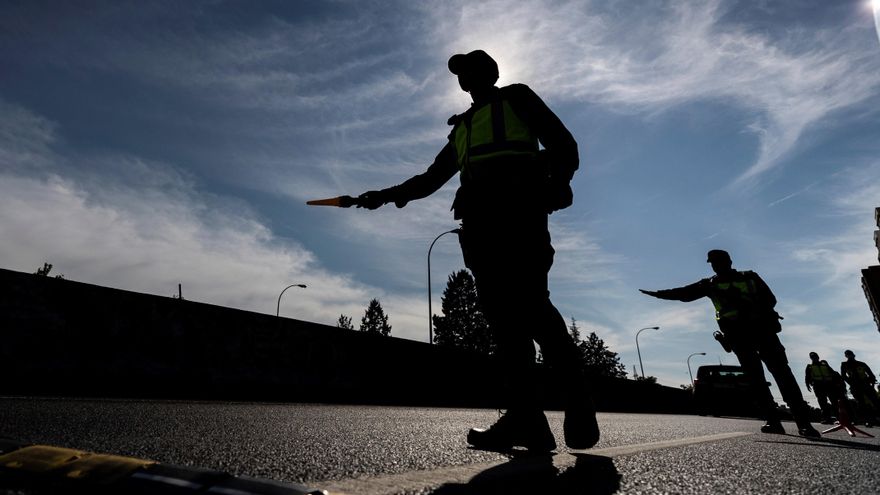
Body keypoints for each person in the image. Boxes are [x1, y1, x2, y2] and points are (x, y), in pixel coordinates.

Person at [352, 50, 598, 451]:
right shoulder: (462, 127)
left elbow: (562, 143)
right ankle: (528, 421)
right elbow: (433, 177)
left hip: (519, 218)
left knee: (533, 309)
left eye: (470, 70)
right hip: (479, 230)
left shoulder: (517, 97)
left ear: (489, 73)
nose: (464, 78)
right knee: (505, 325)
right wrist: (384, 195)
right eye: (461, 74)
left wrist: (558, 182)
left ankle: (579, 403)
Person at [640, 249, 820, 438]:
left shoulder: (745, 278)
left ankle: (801, 423)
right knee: (763, 378)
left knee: (778, 375)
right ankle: (778, 422)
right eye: (714, 262)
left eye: (719, 261)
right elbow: (684, 294)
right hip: (744, 336)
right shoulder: (713, 283)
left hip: (758, 332)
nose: (717, 265)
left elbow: (770, 300)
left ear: (729, 261)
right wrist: (658, 294)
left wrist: (752, 312)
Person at [840, 350, 880, 426]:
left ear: (853, 355)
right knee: (861, 404)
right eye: (847, 355)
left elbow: (870, 373)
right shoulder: (844, 364)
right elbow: (844, 376)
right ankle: (867, 420)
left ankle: (876, 418)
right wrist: (851, 383)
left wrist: (871, 382)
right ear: (846, 356)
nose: (849, 356)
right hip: (855, 387)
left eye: (850, 354)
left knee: (875, 401)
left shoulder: (861, 364)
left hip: (866, 385)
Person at [804, 352, 842, 424]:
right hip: (818, 386)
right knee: (823, 403)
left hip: (829, 385)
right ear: (811, 358)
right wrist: (807, 385)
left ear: (818, 357)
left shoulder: (825, 365)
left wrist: (837, 383)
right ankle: (827, 419)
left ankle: (840, 418)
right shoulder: (809, 366)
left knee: (834, 402)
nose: (814, 358)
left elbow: (833, 373)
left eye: (815, 356)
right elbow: (807, 377)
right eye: (813, 357)